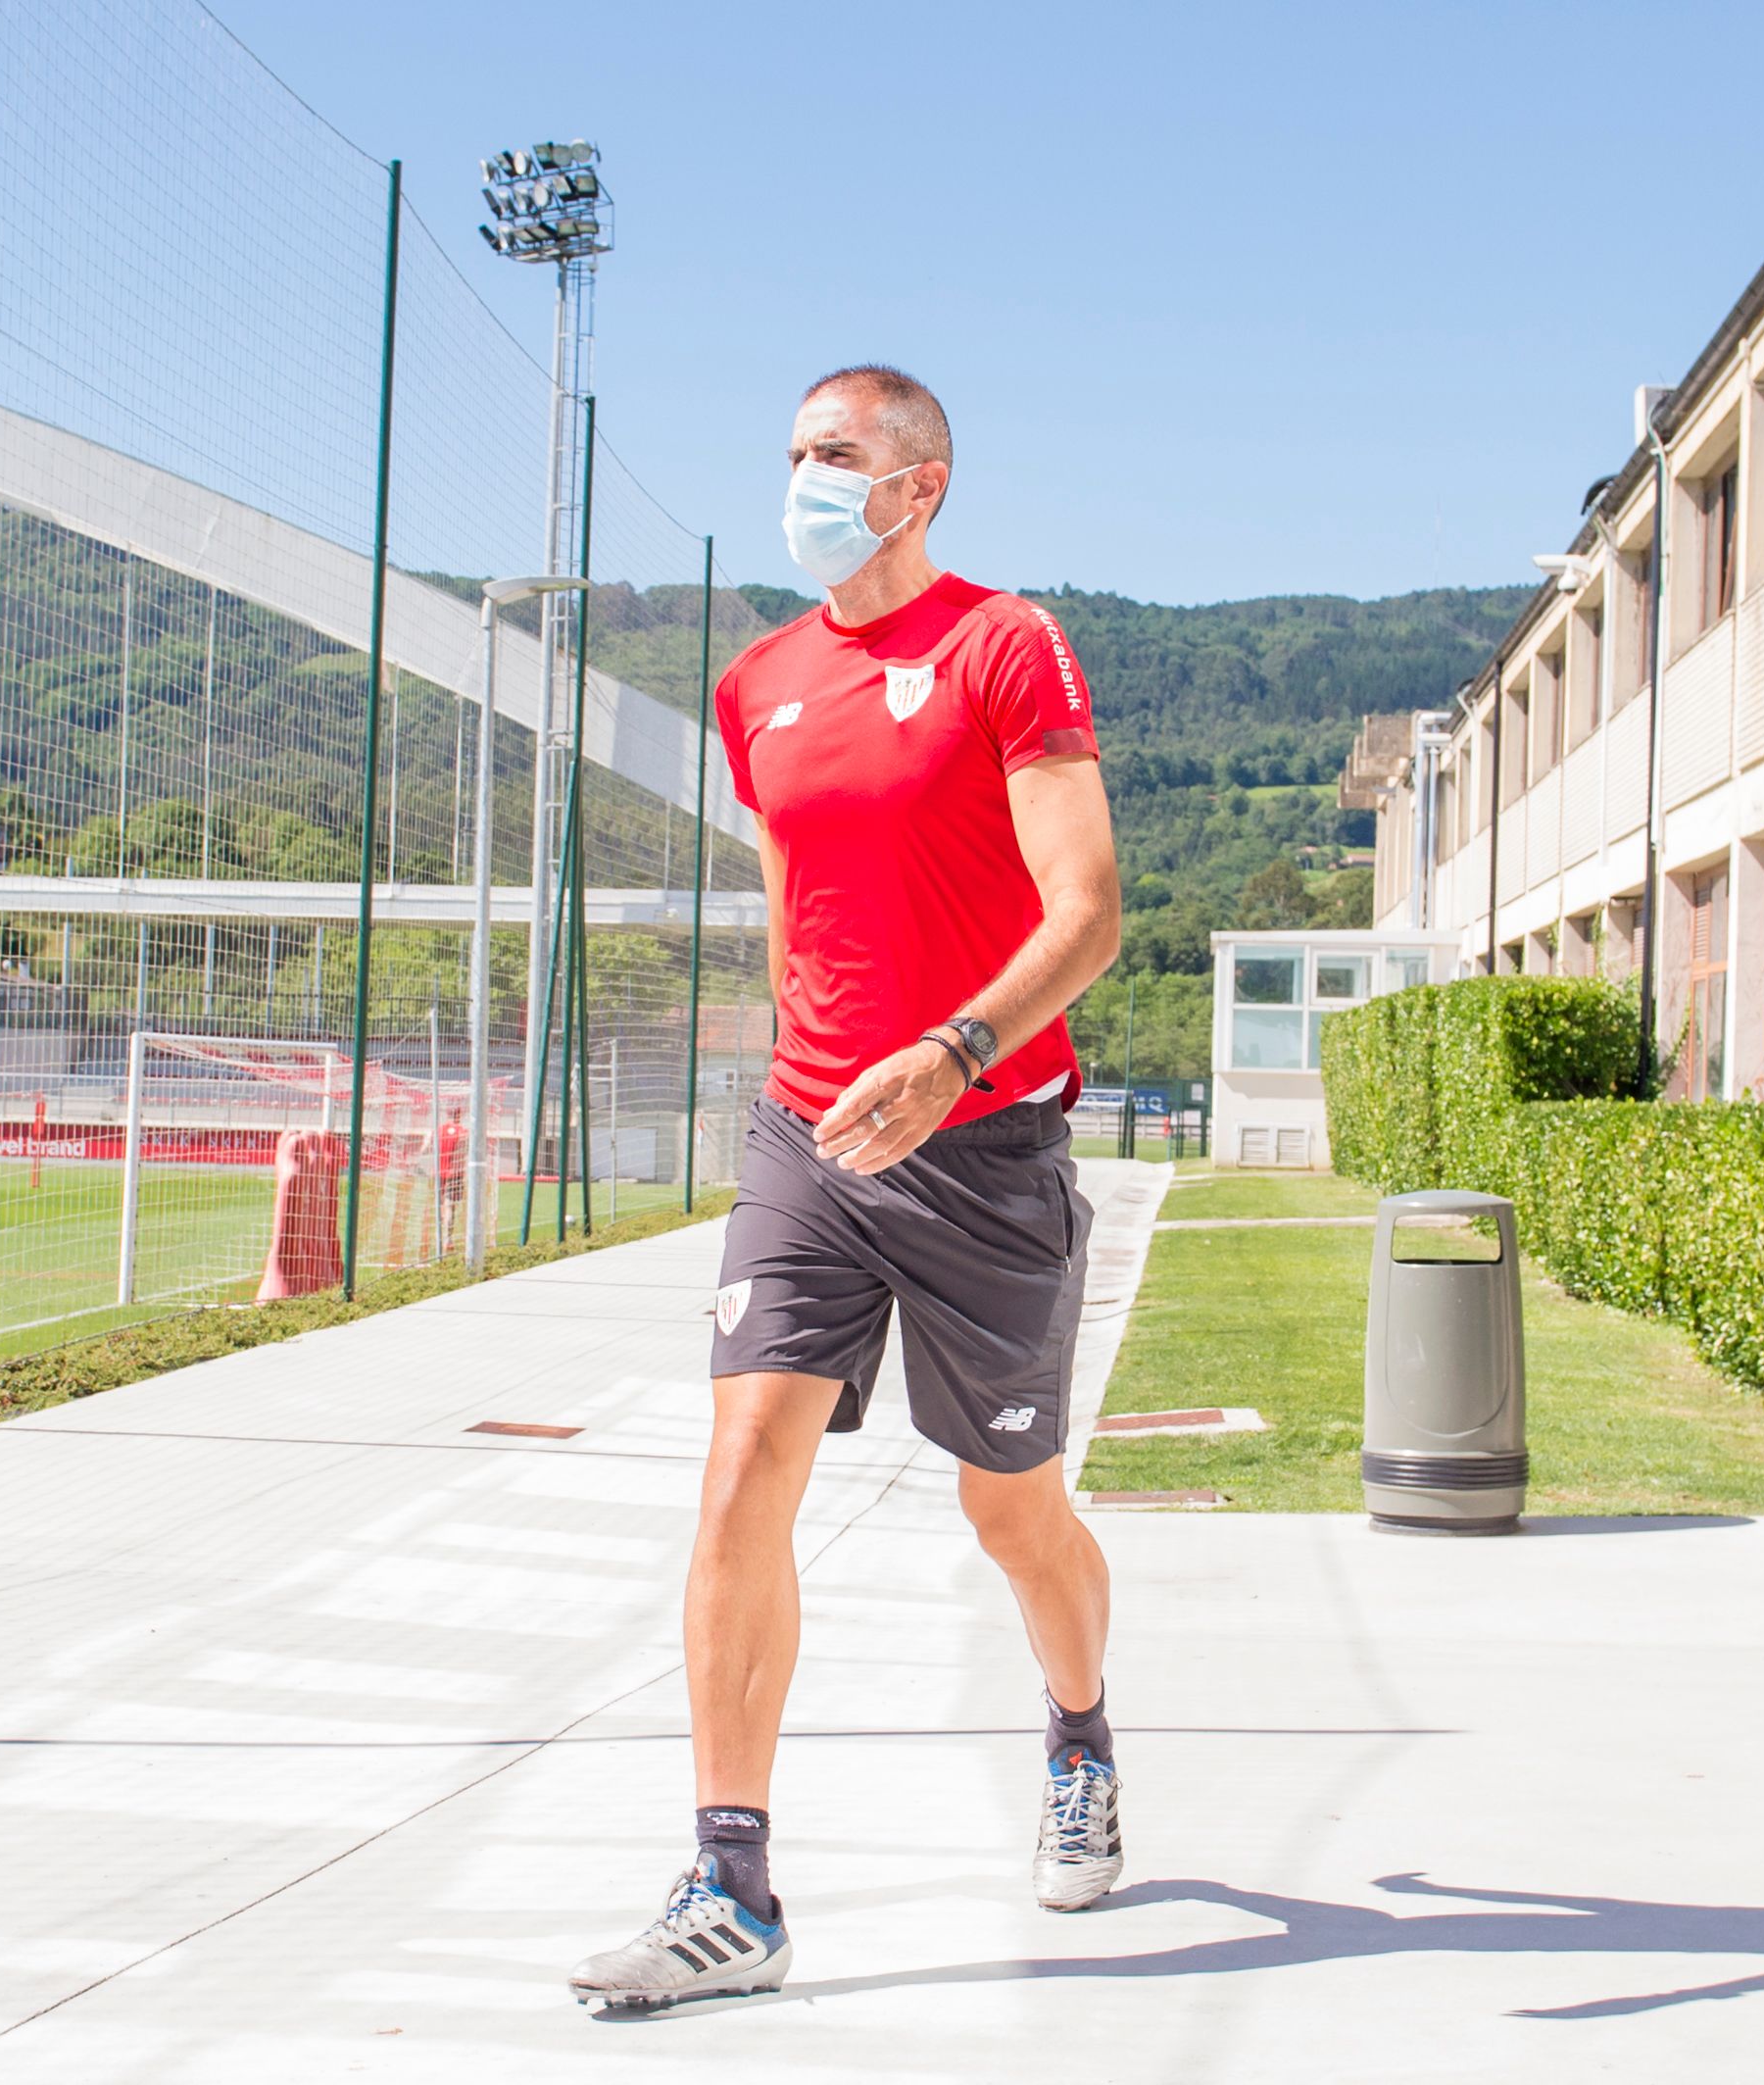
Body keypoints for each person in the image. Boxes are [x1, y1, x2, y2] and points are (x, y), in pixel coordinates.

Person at [568, 365, 1124, 2013]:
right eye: (792, 453)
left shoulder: (1001, 645)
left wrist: (951, 1054)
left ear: (918, 482)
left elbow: (1086, 913)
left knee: (1007, 1513)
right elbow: (801, 910)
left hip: (984, 1140)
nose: (804, 480)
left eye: (835, 455)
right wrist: (822, 1070)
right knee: (742, 1465)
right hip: (810, 1136)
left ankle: (1079, 1735)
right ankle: (729, 1884)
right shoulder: (758, 685)